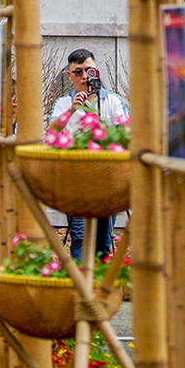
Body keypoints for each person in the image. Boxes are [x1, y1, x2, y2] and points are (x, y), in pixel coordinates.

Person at [46, 48, 130, 262]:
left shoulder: (112, 102)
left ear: (97, 72)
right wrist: (73, 110)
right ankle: (81, 289)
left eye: (89, 71)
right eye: (78, 72)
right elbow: (51, 132)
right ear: (69, 76)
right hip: (76, 181)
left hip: (108, 180)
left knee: (103, 238)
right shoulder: (63, 104)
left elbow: (126, 133)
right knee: (81, 235)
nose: (84, 77)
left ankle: (100, 288)